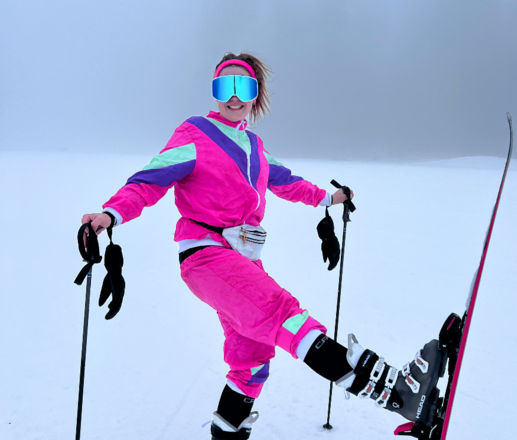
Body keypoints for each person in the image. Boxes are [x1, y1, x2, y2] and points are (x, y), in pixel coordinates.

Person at [81, 52, 445, 439]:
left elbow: (289, 182)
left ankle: (227, 432)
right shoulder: (195, 133)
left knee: (252, 358)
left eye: (244, 87)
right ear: (215, 91)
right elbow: (150, 179)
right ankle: (396, 394)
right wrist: (111, 213)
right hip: (205, 255)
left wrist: (329, 198)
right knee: (282, 313)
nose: (234, 97)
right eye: (225, 86)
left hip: (243, 259)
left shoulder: (254, 146)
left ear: (255, 94)